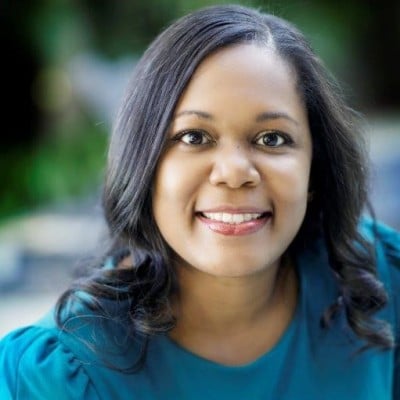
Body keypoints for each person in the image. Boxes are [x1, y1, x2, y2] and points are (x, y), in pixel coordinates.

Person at [1, 4, 399, 399]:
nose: (234, 172)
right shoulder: (55, 379)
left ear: (315, 167)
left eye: (272, 138)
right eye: (194, 137)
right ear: (144, 164)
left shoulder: (385, 285)